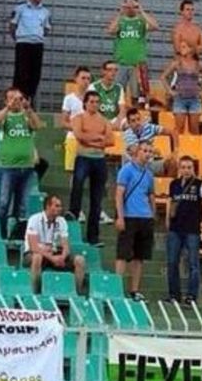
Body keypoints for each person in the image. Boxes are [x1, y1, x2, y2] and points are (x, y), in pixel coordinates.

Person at [0, 87, 43, 236]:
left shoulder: (26, 117)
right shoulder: (6, 117)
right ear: (6, 100)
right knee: (3, 203)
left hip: (26, 167)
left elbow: (38, 126)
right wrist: (8, 108)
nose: (16, 101)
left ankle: (17, 234)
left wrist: (29, 109)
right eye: (12, 98)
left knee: (22, 205)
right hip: (8, 166)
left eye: (19, 98)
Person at [69, 90, 113, 246]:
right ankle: (72, 227)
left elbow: (110, 140)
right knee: (77, 188)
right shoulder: (78, 118)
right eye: (91, 101)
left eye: (97, 101)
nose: (94, 104)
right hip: (83, 158)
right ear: (85, 103)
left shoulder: (104, 120)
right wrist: (98, 138)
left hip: (99, 160)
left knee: (97, 199)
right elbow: (79, 136)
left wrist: (91, 140)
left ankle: (93, 237)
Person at [114, 141, 156, 300]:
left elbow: (151, 195)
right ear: (137, 152)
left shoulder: (149, 174)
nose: (147, 153)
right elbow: (119, 194)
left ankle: (134, 290)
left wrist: (152, 214)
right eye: (144, 150)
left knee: (140, 256)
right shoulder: (126, 170)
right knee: (123, 254)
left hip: (145, 217)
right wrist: (120, 216)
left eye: (150, 151)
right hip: (129, 216)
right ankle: (116, 288)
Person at [24, 193, 86, 294]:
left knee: (80, 260)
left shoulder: (62, 221)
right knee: (37, 257)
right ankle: (35, 293)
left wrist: (62, 256)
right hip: (35, 253)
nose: (60, 208)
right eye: (57, 206)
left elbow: (65, 245)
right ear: (48, 206)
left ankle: (76, 293)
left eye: (60, 206)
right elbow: (33, 246)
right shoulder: (34, 219)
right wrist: (52, 258)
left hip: (55, 253)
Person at [167, 155, 202, 305]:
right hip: (175, 228)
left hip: (193, 229)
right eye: (183, 167)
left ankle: (191, 296)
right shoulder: (174, 184)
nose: (186, 170)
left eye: (189, 167)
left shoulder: (200, 184)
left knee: (193, 264)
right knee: (172, 262)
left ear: (193, 168)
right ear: (179, 169)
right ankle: (173, 295)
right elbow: (171, 204)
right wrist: (167, 222)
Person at [106, 0, 158, 101]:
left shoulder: (141, 21)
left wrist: (141, 11)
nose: (130, 8)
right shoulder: (121, 21)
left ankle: (135, 114)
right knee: (117, 94)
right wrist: (120, 13)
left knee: (137, 96)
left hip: (137, 65)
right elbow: (110, 31)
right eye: (128, 6)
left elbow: (155, 26)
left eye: (133, 6)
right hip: (121, 64)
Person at [9, 0, 51, 107]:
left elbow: (46, 28)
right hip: (23, 44)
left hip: (37, 45)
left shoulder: (45, 12)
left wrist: (37, 36)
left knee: (35, 74)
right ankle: (16, 100)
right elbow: (12, 26)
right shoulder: (20, 8)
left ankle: (28, 100)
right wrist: (19, 38)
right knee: (21, 73)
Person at [160, 40, 202, 135]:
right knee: (179, 129)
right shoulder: (177, 63)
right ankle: (177, 148)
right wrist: (170, 91)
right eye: (180, 47)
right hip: (180, 98)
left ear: (191, 49)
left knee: (195, 130)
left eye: (184, 47)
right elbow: (163, 77)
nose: (181, 49)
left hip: (195, 99)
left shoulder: (198, 64)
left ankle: (194, 148)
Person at [122, 105, 177, 176]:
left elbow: (172, 132)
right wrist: (154, 150)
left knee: (172, 163)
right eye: (133, 121)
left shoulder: (148, 127)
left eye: (138, 119)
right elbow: (137, 153)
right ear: (129, 123)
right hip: (134, 165)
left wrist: (175, 151)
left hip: (150, 163)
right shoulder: (128, 134)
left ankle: (166, 186)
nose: (137, 123)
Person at [60, 65, 92, 172]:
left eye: (88, 79)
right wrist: (77, 128)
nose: (86, 81)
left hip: (90, 141)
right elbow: (64, 122)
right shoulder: (69, 99)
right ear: (76, 79)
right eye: (83, 78)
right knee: (73, 173)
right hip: (73, 139)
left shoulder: (95, 99)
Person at [90, 60, 126, 125]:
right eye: (110, 70)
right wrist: (105, 122)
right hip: (98, 119)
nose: (113, 72)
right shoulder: (94, 87)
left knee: (127, 123)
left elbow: (122, 109)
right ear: (103, 71)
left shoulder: (119, 88)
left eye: (115, 70)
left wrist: (118, 121)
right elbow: (91, 109)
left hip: (114, 120)